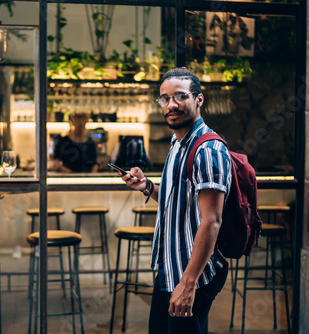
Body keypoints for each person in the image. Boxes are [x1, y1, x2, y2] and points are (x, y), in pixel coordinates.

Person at [119, 67, 232, 333]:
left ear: (199, 99)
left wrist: (188, 283)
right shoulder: (178, 143)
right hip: (169, 267)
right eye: (165, 99)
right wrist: (147, 186)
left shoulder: (207, 150)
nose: (171, 105)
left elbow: (212, 221)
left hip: (192, 272)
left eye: (180, 97)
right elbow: (176, 202)